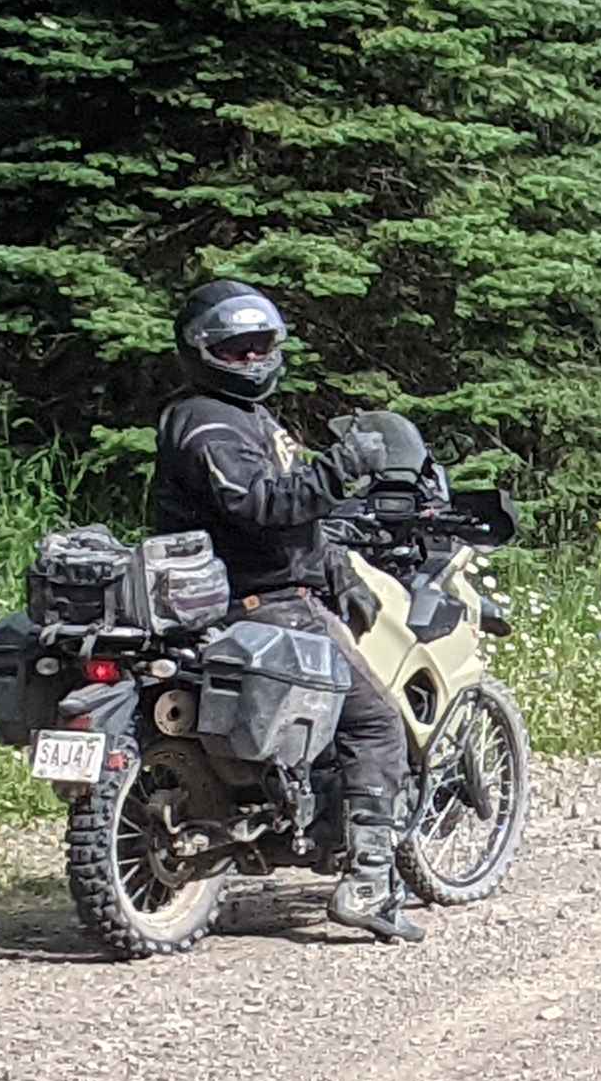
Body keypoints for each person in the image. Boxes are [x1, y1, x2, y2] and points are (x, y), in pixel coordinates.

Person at [153, 278, 420, 943]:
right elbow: (262, 505)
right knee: (378, 724)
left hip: (264, 592)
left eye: (260, 345)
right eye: (234, 348)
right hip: (265, 607)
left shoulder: (243, 420)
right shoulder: (209, 422)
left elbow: (287, 524)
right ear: (201, 351)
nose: (250, 359)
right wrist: (338, 470)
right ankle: (368, 883)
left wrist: (337, 571)